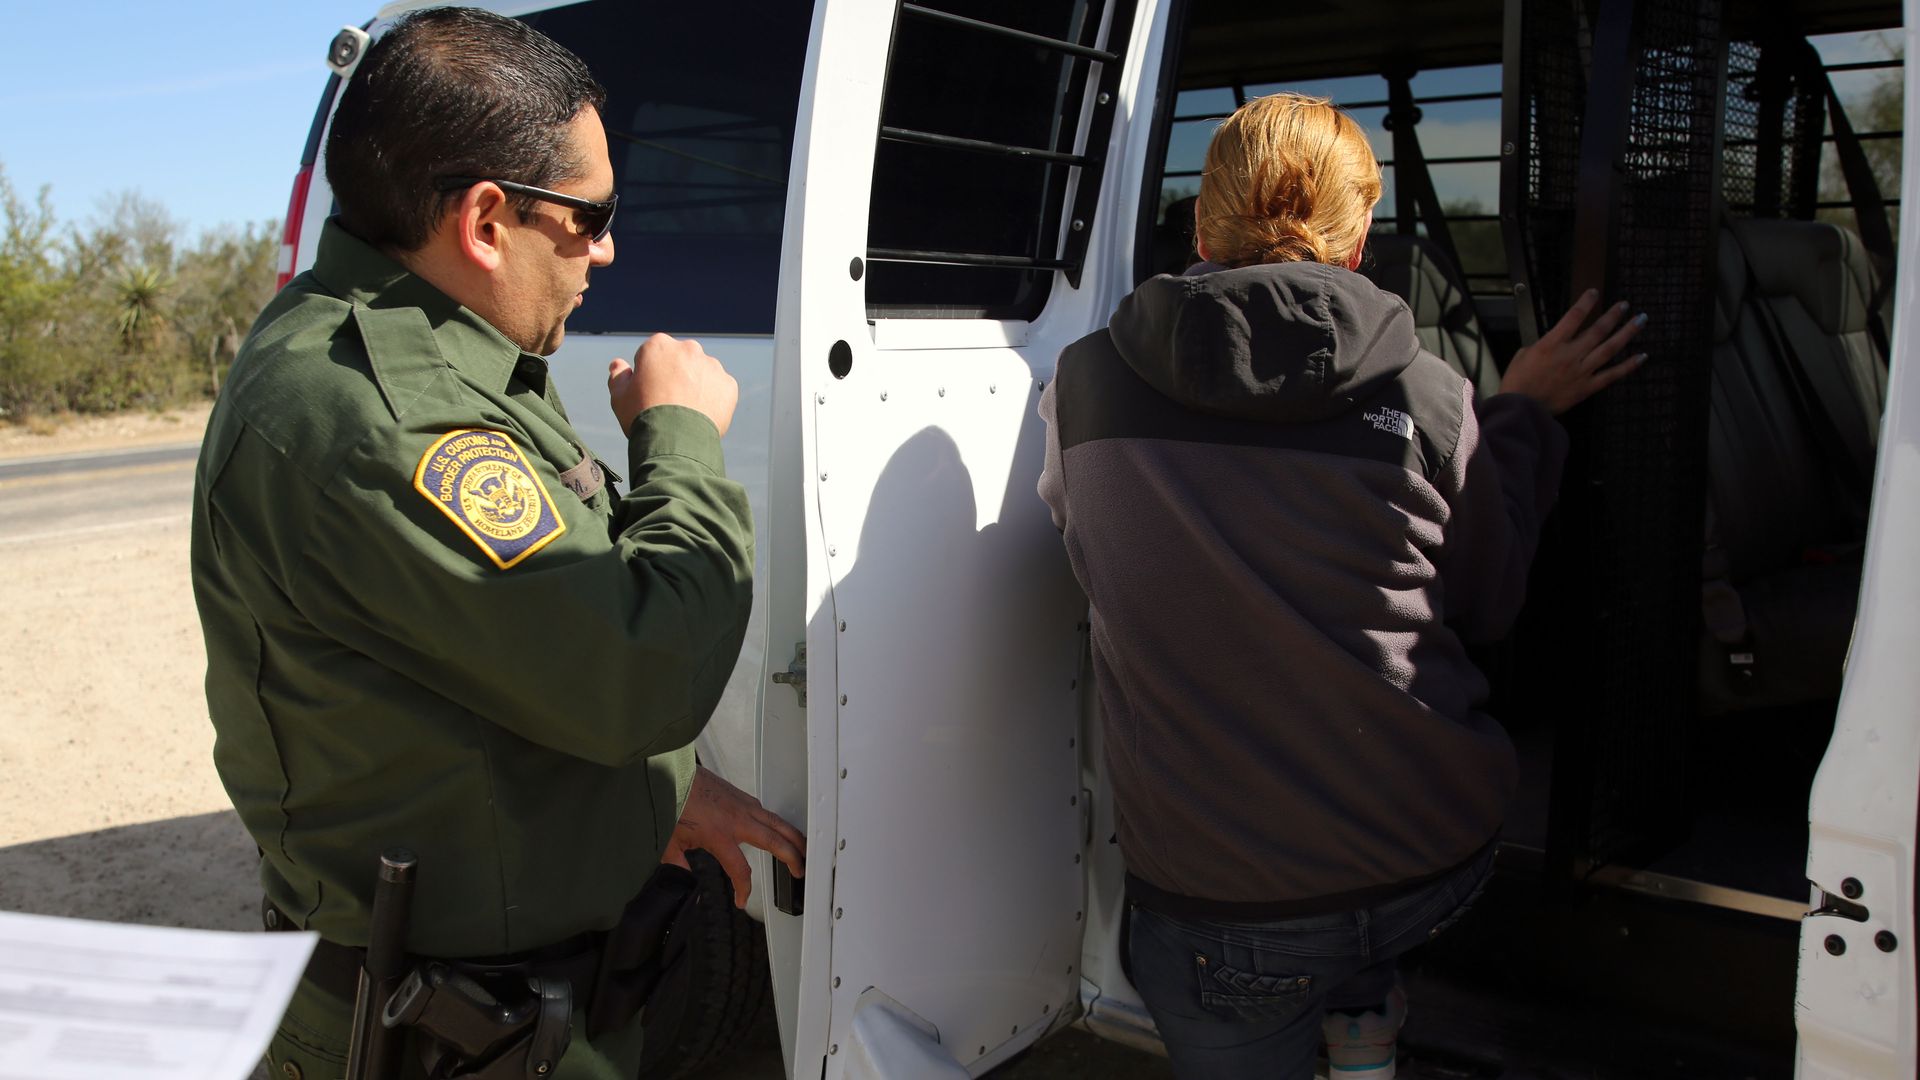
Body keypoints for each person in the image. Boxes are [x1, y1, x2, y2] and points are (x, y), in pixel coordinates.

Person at [190, 8, 804, 1078]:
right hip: (456, 1033)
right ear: (484, 221)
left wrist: (650, 795)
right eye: (591, 214)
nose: (607, 248)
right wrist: (680, 436)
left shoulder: (421, 349)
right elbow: (640, 675)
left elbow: (490, 655)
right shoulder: (389, 414)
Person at [1036, 92, 1645, 1079]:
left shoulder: (1083, 386)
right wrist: (1522, 411)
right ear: (1360, 239)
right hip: (1426, 861)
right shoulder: (1435, 398)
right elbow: (1491, 602)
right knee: (1354, 920)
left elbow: (1084, 543)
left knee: (1227, 981)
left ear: (1199, 226)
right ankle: (1362, 1015)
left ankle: (1343, 1005)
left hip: (1224, 911)